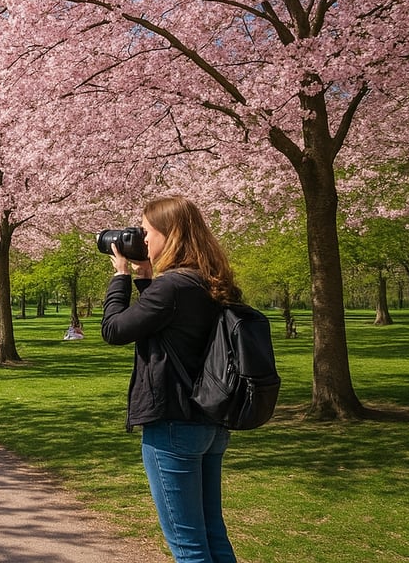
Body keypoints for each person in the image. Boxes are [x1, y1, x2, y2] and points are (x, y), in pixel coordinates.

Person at [101, 196, 241, 563]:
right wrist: (147, 278)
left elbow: (114, 330)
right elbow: (170, 329)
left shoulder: (173, 287)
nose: (142, 239)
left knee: (189, 548)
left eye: (147, 231)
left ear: (171, 234)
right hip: (210, 421)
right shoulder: (209, 282)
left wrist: (120, 277)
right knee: (213, 536)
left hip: (173, 423)